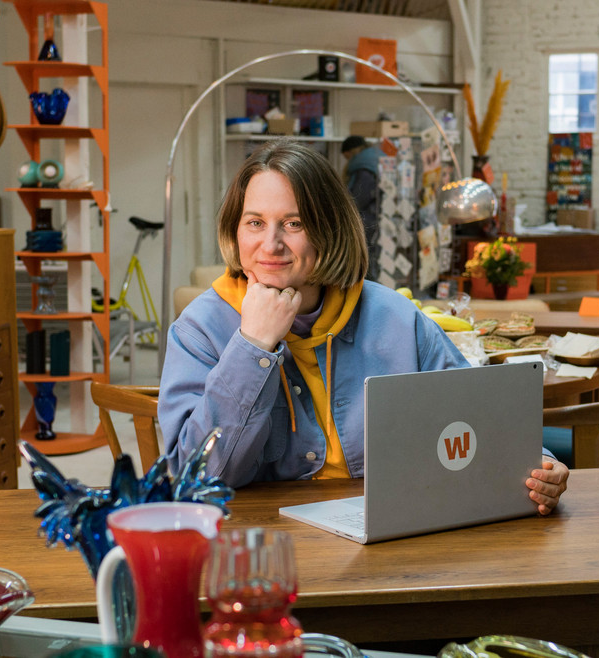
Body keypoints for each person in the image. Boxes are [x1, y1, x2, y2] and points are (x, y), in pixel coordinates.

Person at [158, 139, 567, 515]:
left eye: (294, 223)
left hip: (391, 530)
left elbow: (478, 416)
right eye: (254, 223)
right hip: (260, 545)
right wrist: (254, 346)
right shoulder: (200, 329)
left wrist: (539, 465)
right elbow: (193, 479)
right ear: (234, 229)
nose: (271, 244)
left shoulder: (396, 318)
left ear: (328, 231)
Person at [340, 135, 382, 281]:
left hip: (369, 222)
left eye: (346, 156)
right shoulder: (374, 160)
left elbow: (358, 198)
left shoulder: (363, 167)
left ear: (352, 152)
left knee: (368, 260)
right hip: (377, 218)